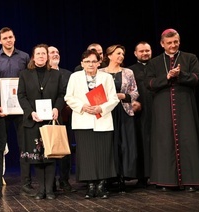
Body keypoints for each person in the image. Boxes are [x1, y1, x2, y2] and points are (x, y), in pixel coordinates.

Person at [145, 28, 199, 192]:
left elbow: (197, 77)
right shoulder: (154, 62)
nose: (173, 45)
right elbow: (148, 83)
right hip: (162, 107)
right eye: (169, 43)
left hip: (185, 106)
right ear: (162, 44)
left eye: (175, 42)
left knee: (188, 139)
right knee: (164, 142)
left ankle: (191, 180)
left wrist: (181, 75)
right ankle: (165, 181)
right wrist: (167, 77)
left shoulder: (190, 58)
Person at [64, 49, 119, 199]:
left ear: (99, 63)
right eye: (87, 61)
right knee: (86, 155)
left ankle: (101, 185)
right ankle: (90, 186)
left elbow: (114, 98)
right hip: (83, 120)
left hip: (102, 119)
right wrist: (82, 106)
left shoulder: (106, 77)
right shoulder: (75, 77)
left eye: (94, 61)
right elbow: (68, 97)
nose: (91, 64)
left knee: (103, 153)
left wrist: (101, 107)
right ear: (82, 63)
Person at [18, 43, 66, 200]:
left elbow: (61, 94)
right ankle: (41, 190)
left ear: (48, 56)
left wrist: (57, 108)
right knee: (38, 157)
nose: (41, 56)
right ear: (33, 56)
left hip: (50, 120)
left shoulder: (56, 74)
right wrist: (30, 112)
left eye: (43, 54)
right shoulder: (25, 74)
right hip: (34, 120)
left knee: (50, 156)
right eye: (38, 54)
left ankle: (50, 191)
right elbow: (21, 96)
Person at [0, 27, 31, 198]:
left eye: (11, 37)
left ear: (14, 38)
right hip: (1, 109)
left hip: (21, 109)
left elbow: (29, 81)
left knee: (24, 146)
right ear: (0, 41)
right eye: (5, 38)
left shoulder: (24, 57)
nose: (8, 40)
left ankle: (26, 185)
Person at [99, 44, 139, 193]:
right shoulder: (101, 72)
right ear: (109, 55)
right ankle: (109, 177)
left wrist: (124, 96)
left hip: (123, 110)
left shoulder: (128, 72)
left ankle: (122, 177)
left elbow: (135, 92)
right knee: (109, 144)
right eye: (118, 53)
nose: (121, 56)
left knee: (124, 144)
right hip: (107, 112)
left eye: (123, 54)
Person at [48, 45, 76, 193]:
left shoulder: (68, 74)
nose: (55, 54)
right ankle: (50, 182)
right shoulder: (42, 74)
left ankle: (64, 180)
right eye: (52, 52)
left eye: (57, 52)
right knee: (49, 148)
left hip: (65, 116)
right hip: (47, 117)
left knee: (65, 149)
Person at [128, 41, 152, 188]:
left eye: (147, 51)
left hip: (156, 110)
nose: (145, 53)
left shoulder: (157, 66)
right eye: (141, 51)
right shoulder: (130, 70)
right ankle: (142, 177)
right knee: (141, 143)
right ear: (136, 53)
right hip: (139, 112)